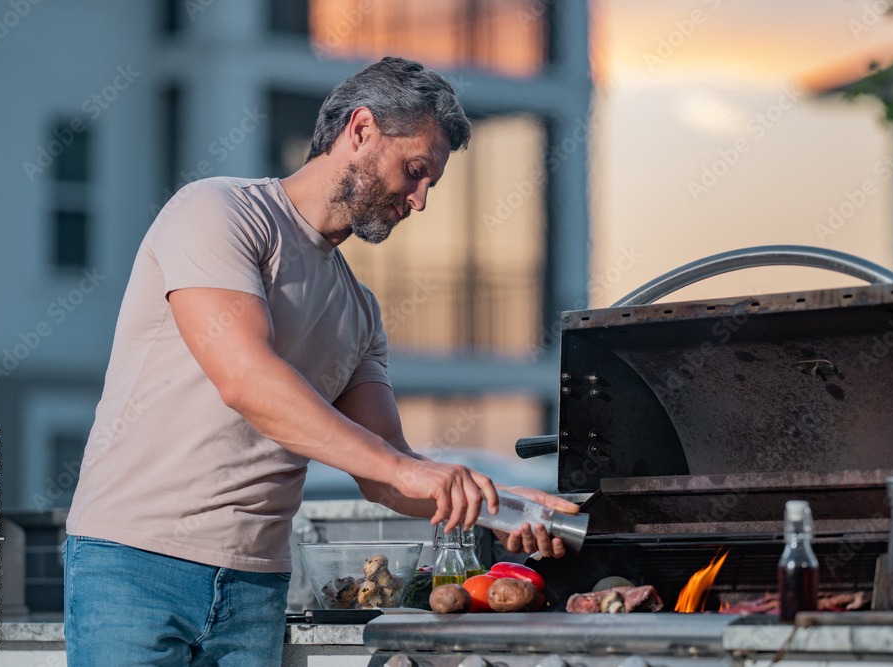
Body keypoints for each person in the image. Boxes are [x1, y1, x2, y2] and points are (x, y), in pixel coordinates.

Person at [63, 56, 578, 665]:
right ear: (360, 131)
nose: (418, 201)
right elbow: (247, 379)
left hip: (254, 585)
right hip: (134, 563)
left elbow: (386, 470)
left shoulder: (359, 310)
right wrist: (403, 468)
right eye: (415, 171)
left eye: (430, 184)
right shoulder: (220, 214)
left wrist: (504, 507)